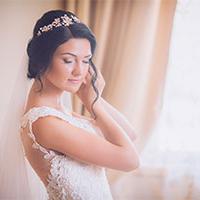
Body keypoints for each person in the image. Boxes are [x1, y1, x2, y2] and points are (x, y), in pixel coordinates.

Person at [0, 9, 140, 200]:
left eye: (86, 61)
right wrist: (94, 104)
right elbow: (130, 160)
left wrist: (92, 100)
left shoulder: (62, 114)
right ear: (43, 60)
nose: (79, 71)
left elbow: (130, 135)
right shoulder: (45, 123)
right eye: (68, 60)